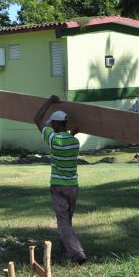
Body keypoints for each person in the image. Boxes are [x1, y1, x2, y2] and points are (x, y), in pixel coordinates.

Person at [34, 96, 86, 265]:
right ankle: (66, 250)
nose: (50, 125)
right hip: (73, 186)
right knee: (67, 220)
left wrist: (49, 101)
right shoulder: (75, 142)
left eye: (52, 123)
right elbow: (67, 141)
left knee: (63, 221)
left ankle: (77, 252)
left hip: (58, 186)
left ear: (56, 124)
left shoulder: (52, 139)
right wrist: (72, 133)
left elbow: (37, 119)